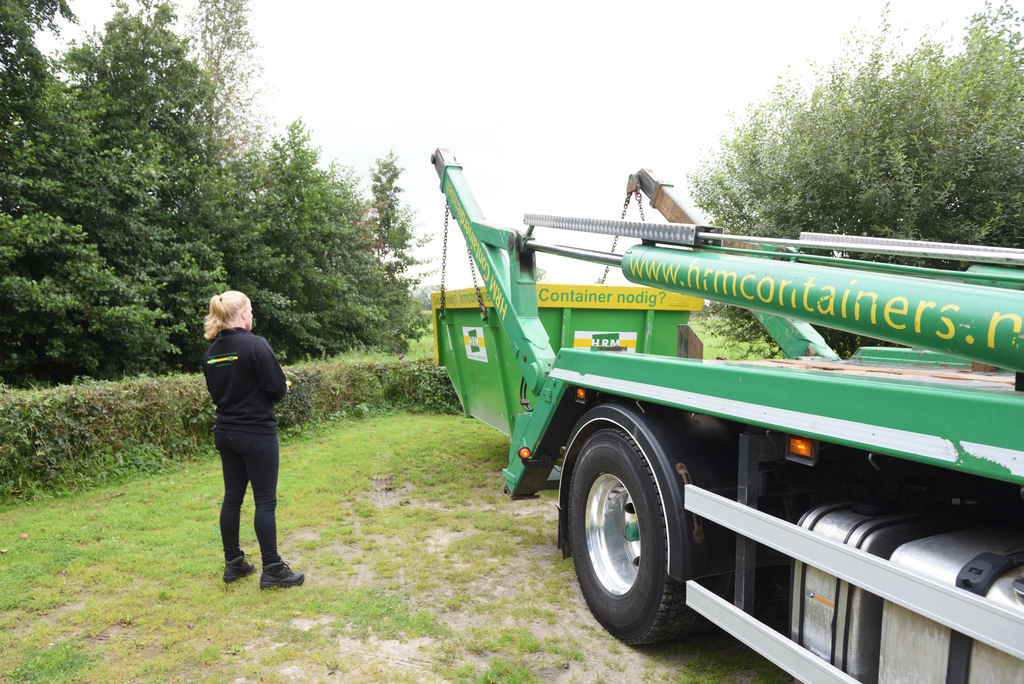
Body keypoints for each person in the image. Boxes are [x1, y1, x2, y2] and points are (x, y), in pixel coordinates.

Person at [201, 290, 304, 589]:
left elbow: (218, 392)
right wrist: (284, 386)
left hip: (226, 433)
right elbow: (275, 389)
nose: (252, 315)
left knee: (232, 498)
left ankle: (234, 564)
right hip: (257, 434)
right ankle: (273, 569)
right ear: (242, 313)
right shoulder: (256, 345)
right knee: (265, 503)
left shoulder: (210, 354)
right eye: (251, 310)